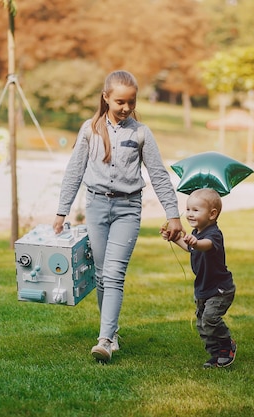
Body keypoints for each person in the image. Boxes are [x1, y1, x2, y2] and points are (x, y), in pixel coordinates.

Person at [53, 70, 183, 363]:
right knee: (101, 275)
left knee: (113, 273)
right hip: (96, 207)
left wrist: (173, 214)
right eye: (120, 102)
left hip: (128, 209)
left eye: (131, 102)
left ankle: (106, 339)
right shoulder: (89, 130)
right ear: (106, 98)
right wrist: (62, 211)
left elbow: (159, 175)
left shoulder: (141, 133)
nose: (126, 108)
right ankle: (110, 331)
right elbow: (74, 172)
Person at [160, 188, 237, 368]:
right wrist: (174, 238)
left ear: (212, 214)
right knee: (202, 325)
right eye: (188, 209)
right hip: (203, 287)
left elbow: (205, 246)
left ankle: (227, 345)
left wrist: (196, 242)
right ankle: (216, 355)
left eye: (195, 210)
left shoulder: (213, 234)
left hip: (220, 289)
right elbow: (190, 248)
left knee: (210, 318)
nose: (189, 214)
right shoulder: (196, 233)